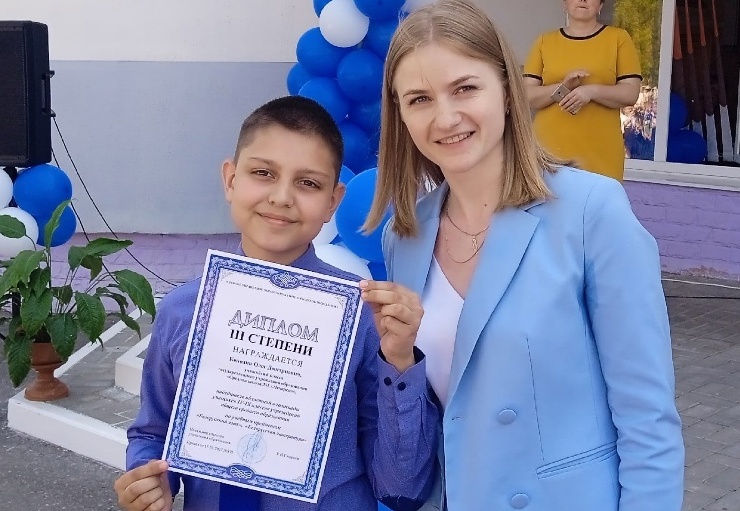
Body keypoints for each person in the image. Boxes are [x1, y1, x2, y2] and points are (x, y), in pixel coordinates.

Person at [360, 0, 684, 509]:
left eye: (465, 88)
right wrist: (396, 362)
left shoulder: (590, 212)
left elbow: (648, 421)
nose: (446, 117)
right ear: (399, 115)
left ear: (508, 91)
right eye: (419, 99)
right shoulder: (405, 236)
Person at [114, 95, 439, 511]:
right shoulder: (182, 311)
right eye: (263, 173)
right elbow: (153, 431)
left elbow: (402, 487)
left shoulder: (361, 318)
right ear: (231, 180)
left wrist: (400, 361)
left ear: (333, 201)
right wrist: (148, 478)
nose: (282, 197)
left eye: (308, 183)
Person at [522, 0, 643, 181]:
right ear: (564, 4)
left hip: (601, 149)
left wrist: (591, 92)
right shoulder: (544, 41)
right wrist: (563, 87)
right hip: (549, 151)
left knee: (599, 198)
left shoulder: (618, 38)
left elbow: (630, 93)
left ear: (600, 6)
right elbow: (527, 96)